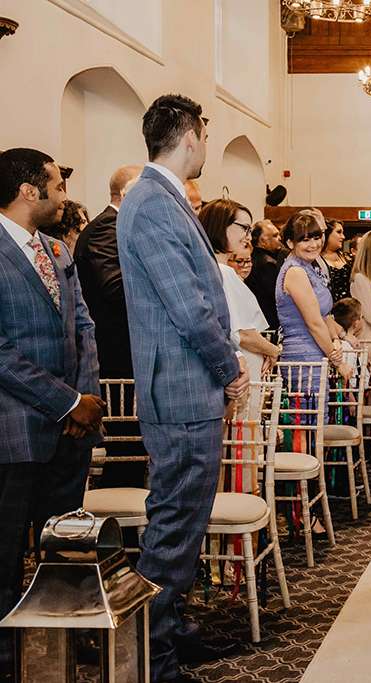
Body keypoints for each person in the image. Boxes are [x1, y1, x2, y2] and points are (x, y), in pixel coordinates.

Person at [117, 94, 249, 683]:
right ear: (191, 136)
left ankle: (169, 628)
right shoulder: (150, 202)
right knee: (173, 528)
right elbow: (189, 309)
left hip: (185, 387)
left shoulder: (163, 197)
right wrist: (229, 368)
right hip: (180, 388)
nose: (206, 148)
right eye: (206, 137)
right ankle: (151, 653)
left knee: (184, 523)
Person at [0, 148, 104, 679]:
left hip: (70, 431)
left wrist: (85, 403)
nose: (65, 196)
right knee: (4, 553)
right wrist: (67, 402)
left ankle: (64, 636)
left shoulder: (57, 249)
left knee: (65, 546)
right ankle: (5, 653)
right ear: (28, 191)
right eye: (57, 186)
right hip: (14, 430)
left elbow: (84, 326)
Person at [74, 165, 143, 488]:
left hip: (124, 349)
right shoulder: (107, 227)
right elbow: (115, 288)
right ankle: (122, 511)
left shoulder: (119, 225)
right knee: (125, 445)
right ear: (127, 194)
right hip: (116, 351)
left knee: (133, 445)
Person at [198, 199, 280, 382]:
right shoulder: (222, 272)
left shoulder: (212, 268)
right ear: (221, 226)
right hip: (241, 368)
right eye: (245, 228)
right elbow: (241, 334)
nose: (248, 237)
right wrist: (273, 350)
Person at [276, 210, 348, 373]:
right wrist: (338, 362)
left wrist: (335, 339)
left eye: (317, 238)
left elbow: (324, 315)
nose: (314, 245)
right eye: (305, 240)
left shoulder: (308, 267)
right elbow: (314, 323)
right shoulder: (295, 271)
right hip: (305, 357)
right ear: (290, 243)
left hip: (318, 351)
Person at [247, 218, 285, 330]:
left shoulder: (255, 258)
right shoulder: (267, 264)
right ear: (263, 241)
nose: (280, 238)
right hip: (269, 322)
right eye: (275, 236)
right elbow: (277, 297)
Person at [321, 218, 351, 304]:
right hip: (328, 307)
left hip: (349, 308)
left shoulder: (347, 258)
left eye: (342, 233)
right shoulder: (315, 260)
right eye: (339, 232)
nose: (343, 237)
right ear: (327, 234)